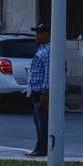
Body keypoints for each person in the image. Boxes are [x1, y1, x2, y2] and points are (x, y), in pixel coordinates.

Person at [24, 22, 52, 157]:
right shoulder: (42, 49)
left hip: (41, 92)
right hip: (35, 91)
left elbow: (48, 72)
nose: (37, 35)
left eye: (39, 33)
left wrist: (45, 92)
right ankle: (39, 146)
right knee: (38, 121)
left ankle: (42, 148)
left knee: (43, 122)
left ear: (46, 35)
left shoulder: (47, 51)